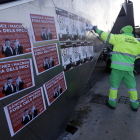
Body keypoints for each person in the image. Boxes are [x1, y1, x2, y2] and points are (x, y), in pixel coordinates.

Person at [90, 25, 140, 111]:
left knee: (114, 87)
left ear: (123, 31)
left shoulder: (118, 38)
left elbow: (105, 35)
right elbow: (137, 56)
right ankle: (135, 105)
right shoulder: (137, 43)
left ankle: (112, 103)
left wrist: (96, 30)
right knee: (132, 87)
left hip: (117, 68)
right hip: (129, 70)